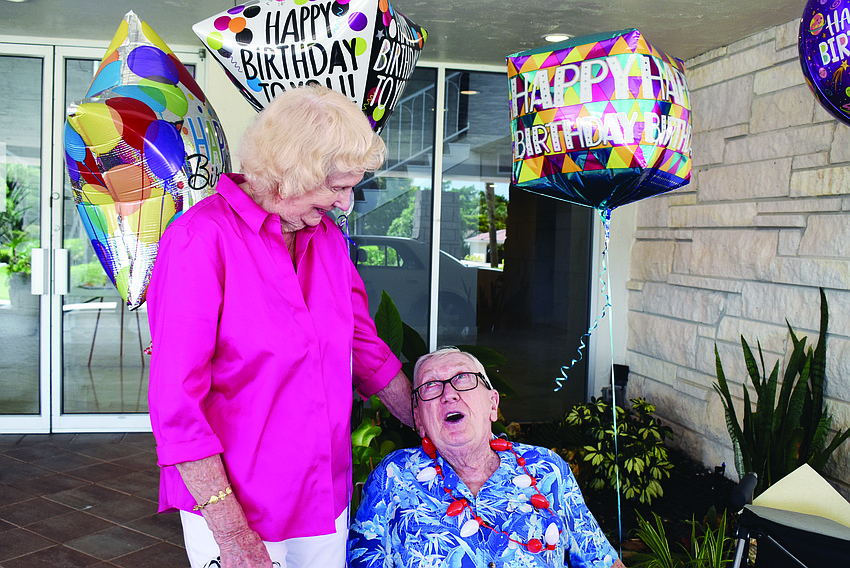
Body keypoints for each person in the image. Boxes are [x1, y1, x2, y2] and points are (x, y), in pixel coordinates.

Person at [147, 83, 412, 568]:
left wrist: (434, 422)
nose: (346, 203)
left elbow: (361, 344)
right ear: (289, 173)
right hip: (240, 503)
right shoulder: (198, 240)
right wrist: (231, 533)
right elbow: (175, 405)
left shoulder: (326, 238)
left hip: (322, 491)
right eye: (337, 186)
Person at [349, 347, 627, 568]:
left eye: (462, 379)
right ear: (420, 420)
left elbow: (601, 560)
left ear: (492, 405)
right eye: (431, 386)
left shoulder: (548, 469)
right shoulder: (393, 477)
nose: (449, 394)